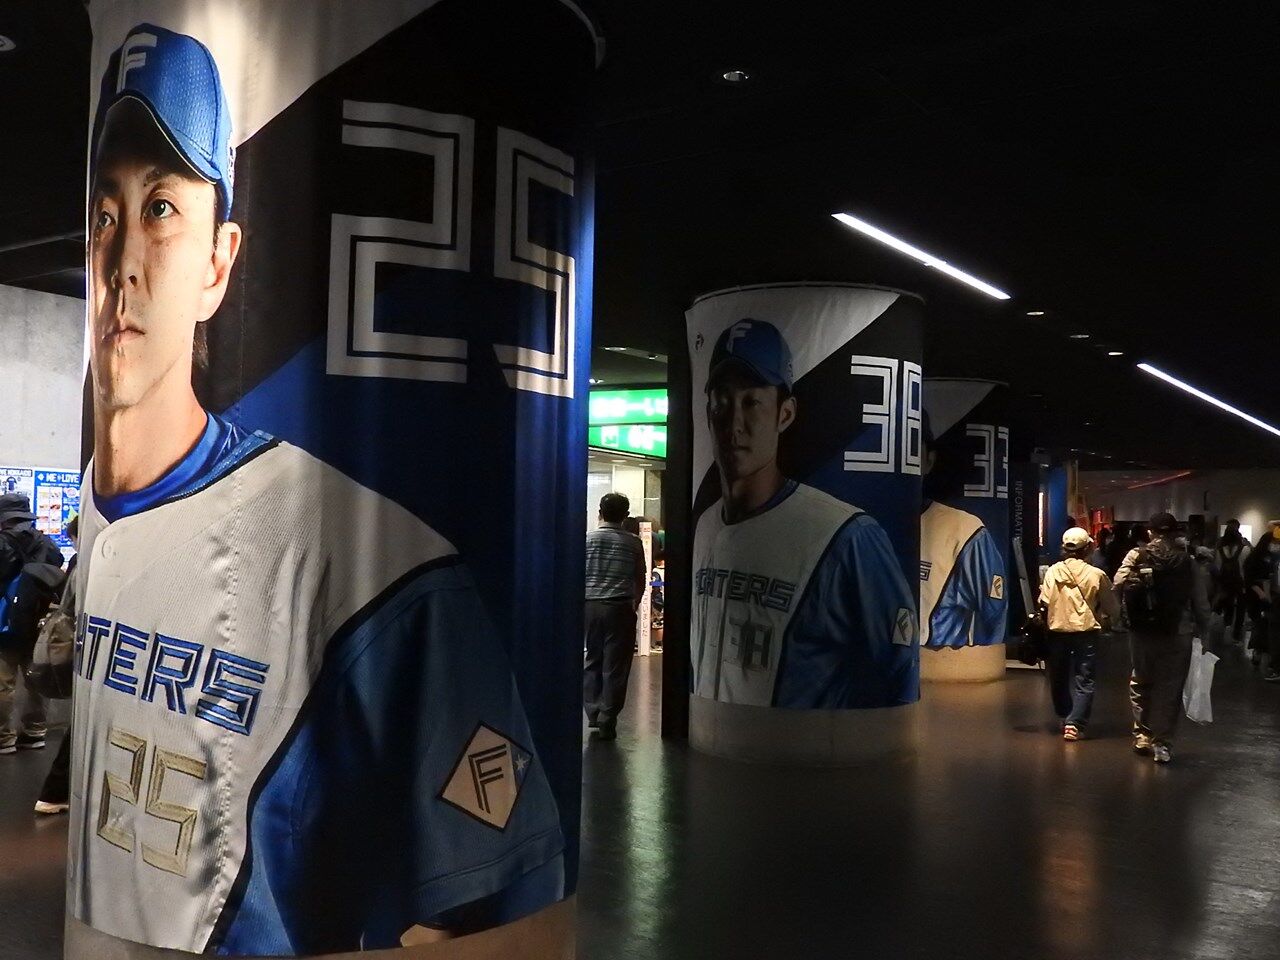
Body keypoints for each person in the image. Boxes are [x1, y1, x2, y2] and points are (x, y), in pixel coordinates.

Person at [70, 25, 562, 955]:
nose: (123, 258)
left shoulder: (367, 561)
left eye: (162, 208)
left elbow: (500, 911)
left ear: (219, 263)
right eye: (103, 213)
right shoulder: (94, 507)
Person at [691, 319, 916, 708]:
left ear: (785, 413)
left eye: (751, 402)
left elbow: (898, 666)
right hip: (717, 734)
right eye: (722, 401)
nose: (734, 423)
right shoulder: (706, 524)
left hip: (807, 741)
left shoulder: (845, 535)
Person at [919, 416, 1007, 649]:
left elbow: (994, 615)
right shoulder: (862, 529)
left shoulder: (964, 531)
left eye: (911, 451)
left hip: (939, 662)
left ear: (929, 460)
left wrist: (975, 666)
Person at [1115, 512, 1194, 763]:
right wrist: (1203, 629)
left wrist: (1122, 614)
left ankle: (1142, 734)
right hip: (1177, 630)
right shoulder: (1186, 559)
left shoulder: (1136, 555)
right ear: (1175, 533)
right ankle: (1163, 744)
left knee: (1140, 680)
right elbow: (1199, 597)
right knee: (1171, 687)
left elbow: (1117, 583)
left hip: (1142, 630)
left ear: (1150, 532)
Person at [1039, 528, 1120, 740]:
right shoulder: (1096, 574)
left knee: (1058, 676)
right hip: (1086, 631)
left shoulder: (1053, 572)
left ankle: (1064, 714)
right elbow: (1112, 607)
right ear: (1088, 548)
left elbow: (1044, 601)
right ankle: (1075, 724)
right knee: (1085, 678)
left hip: (1057, 630)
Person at [0, 492, 64, 755]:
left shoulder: (2, 544)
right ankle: (35, 731)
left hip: (4, 622)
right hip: (37, 620)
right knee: (35, 680)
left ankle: (3, 737)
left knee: (3, 682)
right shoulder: (46, 544)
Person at [583, 493, 646, 741]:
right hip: (620, 607)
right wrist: (635, 603)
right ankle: (608, 717)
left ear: (600, 512)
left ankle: (592, 712)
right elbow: (640, 577)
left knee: (592, 658)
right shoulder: (633, 543)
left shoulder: (587, 540)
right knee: (616, 666)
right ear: (625, 516)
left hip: (590, 606)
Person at [1213, 519, 1250, 642]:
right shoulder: (1244, 549)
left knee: (1226, 607)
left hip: (1224, 584)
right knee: (1240, 609)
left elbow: (1217, 567)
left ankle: (1224, 629)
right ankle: (1236, 636)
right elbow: (1246, 569)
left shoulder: (1220, 548)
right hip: (1240, 584)